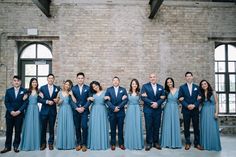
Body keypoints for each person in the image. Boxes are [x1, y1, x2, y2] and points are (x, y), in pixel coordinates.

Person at [0, 75, 27, 153]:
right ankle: (7, 147)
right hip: (10, 114)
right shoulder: (8, 91)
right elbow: (6, 102)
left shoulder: (24, 91)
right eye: (15, 80)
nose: (16, 82)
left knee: (18, 131)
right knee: (9, 131)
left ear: (20, 82)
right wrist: (11, 111)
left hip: (19, 114)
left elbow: (25, 103)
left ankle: (16, 146)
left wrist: (19, 111)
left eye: (18, 81)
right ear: (13, 82)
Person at [178, 72, 203, 150]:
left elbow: (200, 98)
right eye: (187, 76)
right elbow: (180, 98)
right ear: (185, 78)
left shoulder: (197, 87)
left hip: (195, 110)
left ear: (192, 77)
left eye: (190, 76)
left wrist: (194, 105)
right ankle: (187, 142)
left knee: (196, 127)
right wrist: (187, 105)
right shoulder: (182, 87)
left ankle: (197, 143)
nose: (188, 77)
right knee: (186, 127)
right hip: (186, 110)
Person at [141, 73, 165, 151]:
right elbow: (143, 97)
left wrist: (157, 103)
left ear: (156, 78)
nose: (152, 78)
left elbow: (163, 97)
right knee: (148, 126)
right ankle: (149, 143)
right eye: (151, 77)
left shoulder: (161, 87)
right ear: (149, 78)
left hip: (157, 110)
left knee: (157, 126)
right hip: (148, 110)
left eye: (154, 77)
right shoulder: (145, 86)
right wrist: (152, 103)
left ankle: (156, 142)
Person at [105, 76, 128, 150]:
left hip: (120, 112)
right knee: (112, 129)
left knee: (121, 129)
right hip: (112, 112)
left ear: (119, 81)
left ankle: (121, 143)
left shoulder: (123, 90)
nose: (115, 82)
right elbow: (106, 100)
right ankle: (113, 144)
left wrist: (118, 107)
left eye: (117, 80)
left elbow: (125, 100)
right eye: (114, 80)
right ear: (112, 82)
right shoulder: (109, 90)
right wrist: (113, 107)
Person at [38, 73, 60, 150]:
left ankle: (51, 143)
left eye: (52, 78)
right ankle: (43, 143)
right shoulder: (42, 88)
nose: (51, 79)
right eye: (49, 78)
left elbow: (59, 99)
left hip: (53, 111)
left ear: (54, 79)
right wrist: (47, 101)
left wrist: (57, 100)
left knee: (51, 128)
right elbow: (39, 99)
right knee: (43, 128)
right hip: (44, 111)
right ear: (47, 79)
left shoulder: (57, 88)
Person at [199, 80, 221, 151]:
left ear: (207, 84)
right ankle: (205, 145)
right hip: (204, 112)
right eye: (202, 84)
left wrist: (216, 112)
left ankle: (213, 145)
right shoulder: (201, 94)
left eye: (205, 84)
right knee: (204, 127)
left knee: (212, 128)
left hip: (211, 111)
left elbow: (217, 103)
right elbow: (200, 105)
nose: (204, 85)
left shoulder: (213, 92)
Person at [87, 81, 109, 150]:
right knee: (95, 126)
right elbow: (88, 102)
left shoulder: (105, 92)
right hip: (94, 111)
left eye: (96, 85)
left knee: (102, 126)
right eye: (93, 87)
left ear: (98, 85)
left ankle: (102, 144)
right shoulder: (92, 95)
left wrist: (109, 98)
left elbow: (108, 101)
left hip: (102, 111)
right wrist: (88, 98)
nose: (95, 87)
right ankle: (94, 143)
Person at [160, 77, 182, 149]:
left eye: (170, 82)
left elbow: (179, 101)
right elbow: (162, 100)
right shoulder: (165, 91)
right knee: (167, 124)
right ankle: (167, 142)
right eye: (168, 82)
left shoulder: (178, 90)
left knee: (175, 123)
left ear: (173, 82)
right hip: (168, 108)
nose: (169, 83)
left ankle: (175, 142)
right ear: (166, 84)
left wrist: (180, 100)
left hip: (175, 108)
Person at [71, 72, 90, 152]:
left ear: (84, 79)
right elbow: (70, 100)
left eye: (82, 78)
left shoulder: (88, 88)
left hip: (84, 111)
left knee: (84, 126)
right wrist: (76, 108)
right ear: (77, 79)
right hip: (76, 111)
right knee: (77, 127)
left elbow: (90, 99)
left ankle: (84, 144)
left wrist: (84, 107)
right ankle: (79, 143)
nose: (80, 79)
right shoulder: (73, 88)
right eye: (79, 78)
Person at [20, 78, 40, 151]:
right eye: (33, 82)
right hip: (29, 109)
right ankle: (27, 144)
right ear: (31, 83)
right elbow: (23, 100)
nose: (34, 83)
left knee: (35, 125)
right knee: (28, 125)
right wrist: (23, 99)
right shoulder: (27, 91)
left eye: (36, 82)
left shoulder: (38, 91)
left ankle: (35, 144)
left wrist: (43, 97)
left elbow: (41, 99)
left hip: (36, 109)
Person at [56, 80, 76, 150]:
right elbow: (57, 103)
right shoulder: (59, 92)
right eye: (66, 84)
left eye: (69, 85)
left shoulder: (70, 92)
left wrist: (72, 94)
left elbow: (75, 101)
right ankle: (61, 144)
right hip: (62, 110)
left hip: (69, 110)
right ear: (64, 85)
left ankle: (69, 144)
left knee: (69, 125)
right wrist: (59, 102)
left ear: (70, 86)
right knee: (62, 125)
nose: (67, 86)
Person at [124, 79, 144, 150]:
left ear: (137, 85)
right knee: (130, 125)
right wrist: (123, 98)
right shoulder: (128, 93)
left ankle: (137, 143)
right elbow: (125, 102)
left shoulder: (140, 93)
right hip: (130, 110)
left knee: (137, 125)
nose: (134, 85)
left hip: (137, 110)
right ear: (131, 85)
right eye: (133, 84)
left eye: (135, 84)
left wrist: (143, 97)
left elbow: (142, 102)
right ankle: (130, 143)